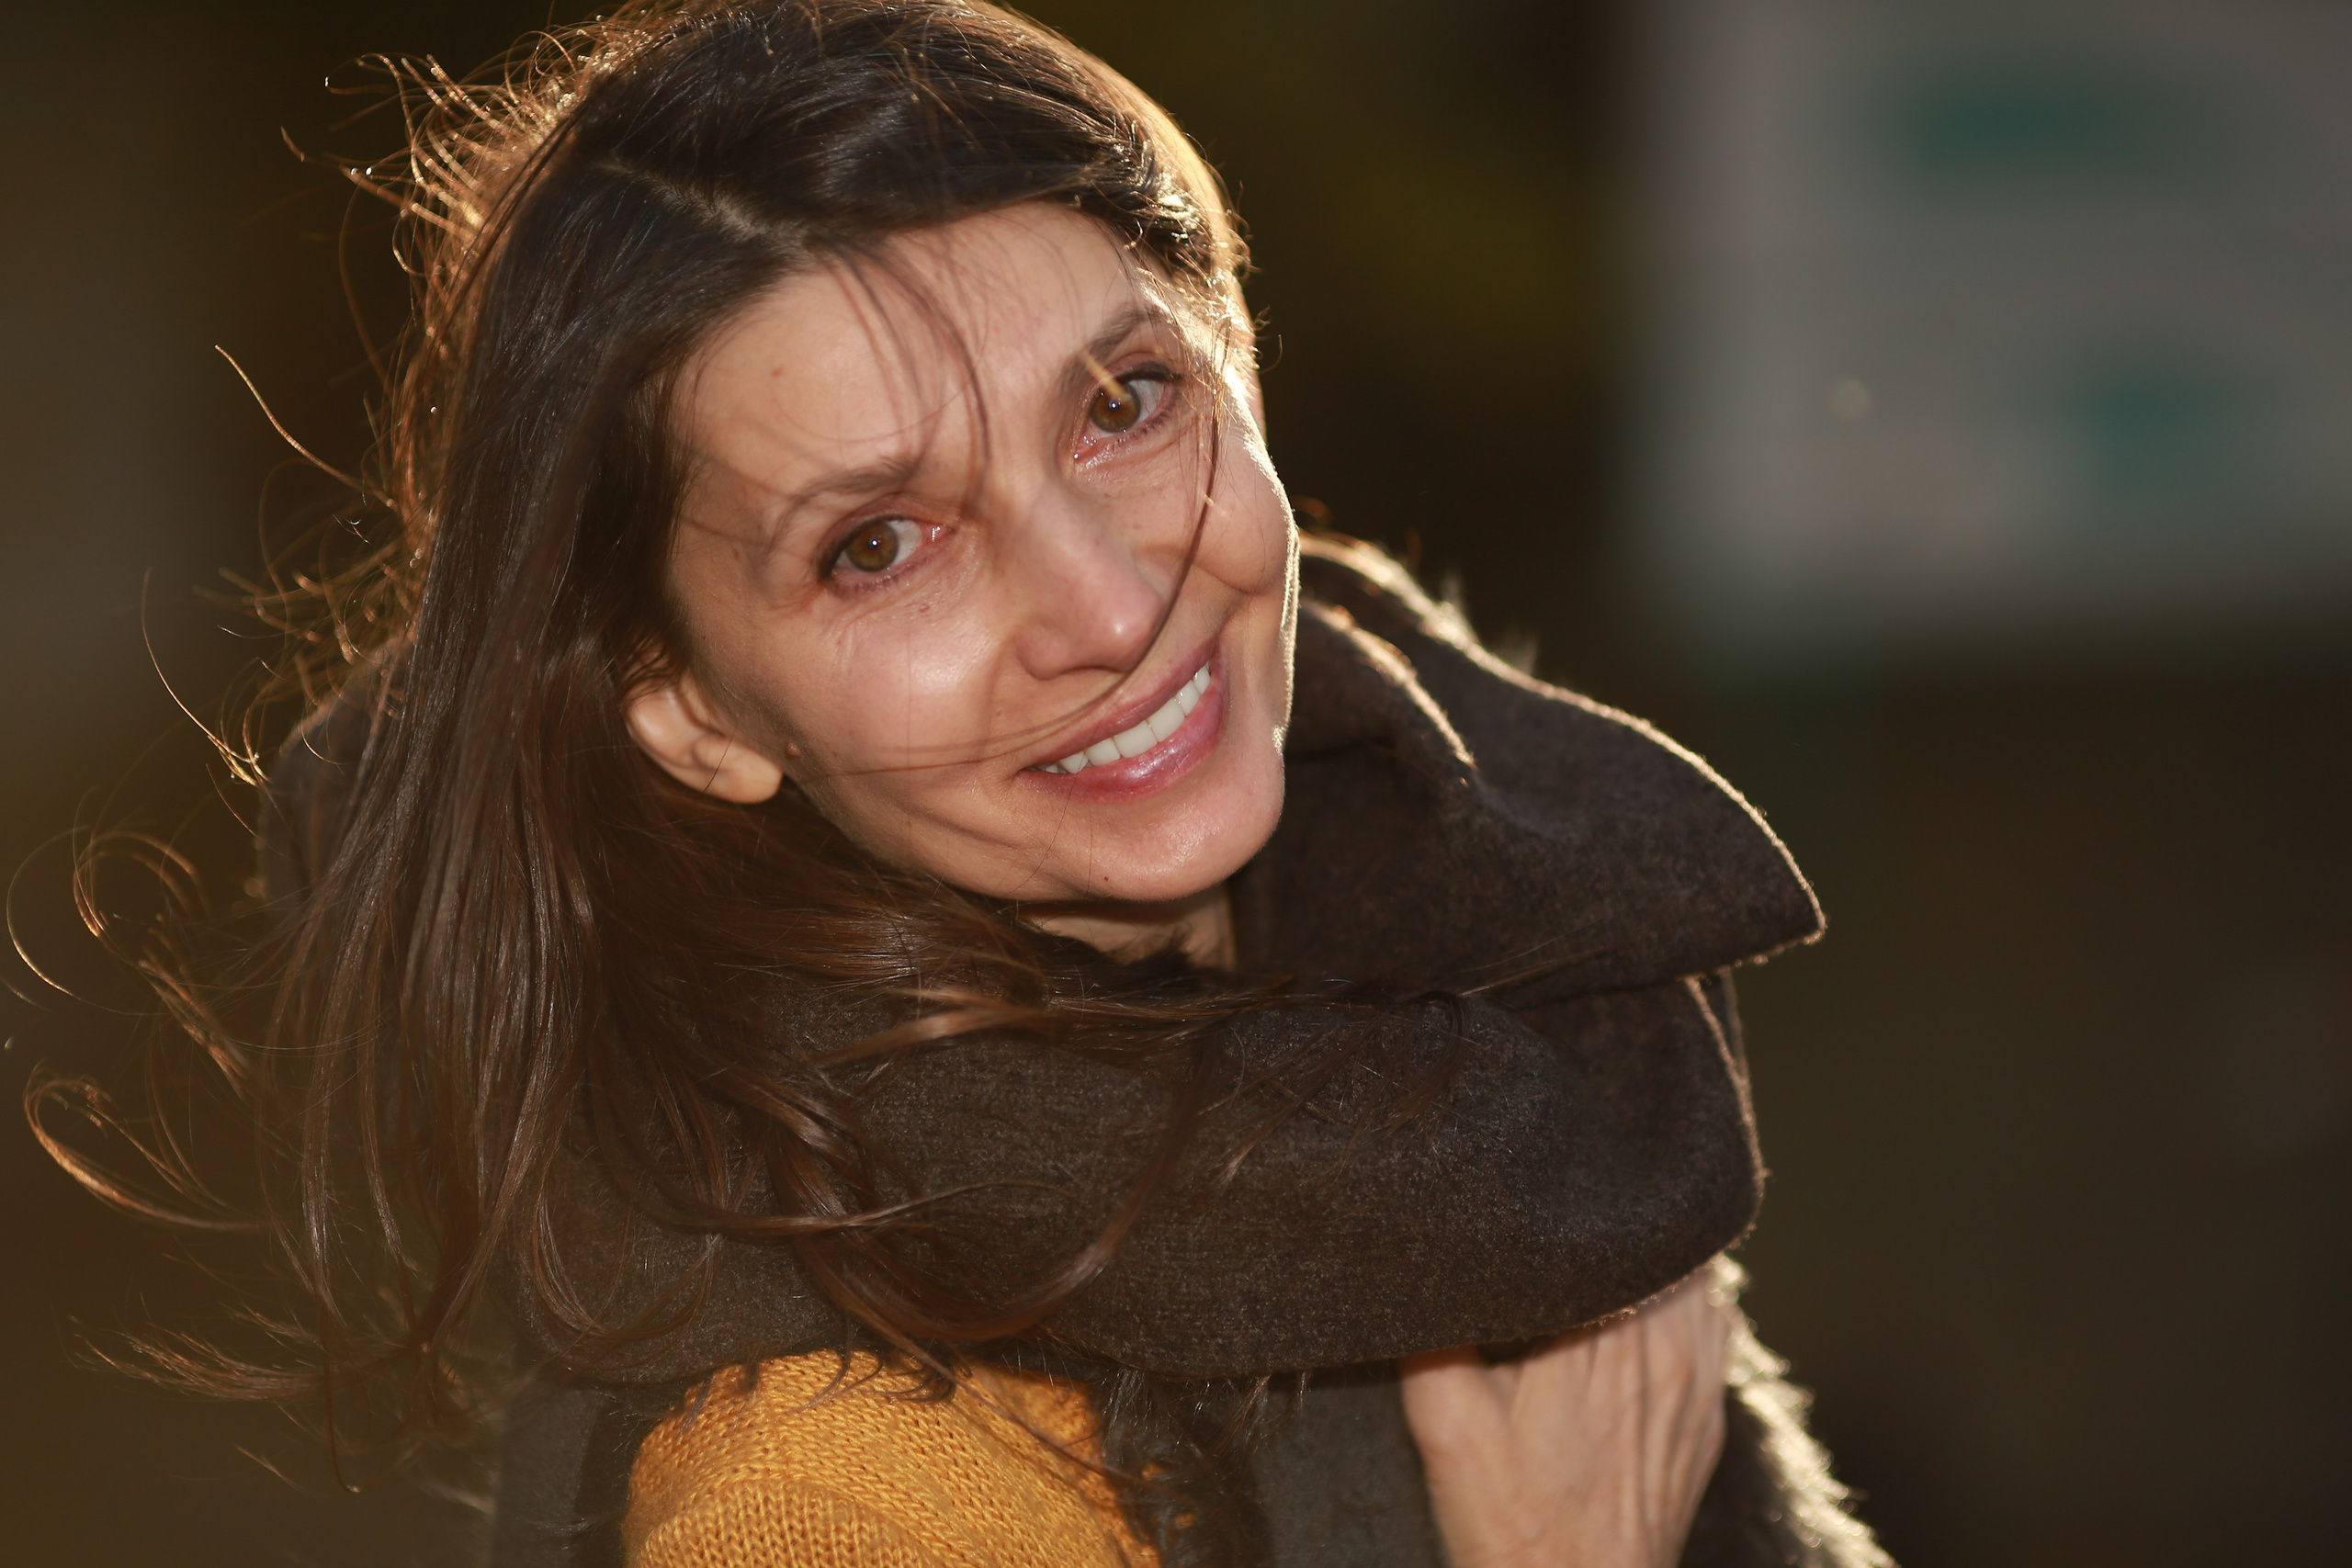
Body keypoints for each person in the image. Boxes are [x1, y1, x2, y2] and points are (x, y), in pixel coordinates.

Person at [40, 3, 1890, 1564]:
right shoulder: (838, 1484)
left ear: (1241, 367)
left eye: (1120, 403)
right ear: (685, 707)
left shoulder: (1452, 1017)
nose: (1103, 606)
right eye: (875, 544)